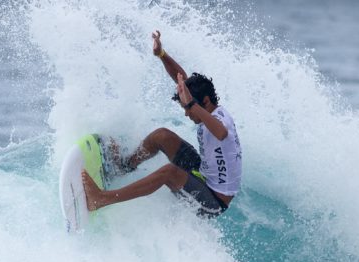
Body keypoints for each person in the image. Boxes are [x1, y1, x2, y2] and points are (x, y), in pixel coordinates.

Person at [82, 30, 242, 218]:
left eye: (188, 108)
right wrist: (162, 55)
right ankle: (124, 167)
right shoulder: (207, 108)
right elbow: (182, 79)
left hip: (213, 200)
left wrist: (191, 104)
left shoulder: (222, 121)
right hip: (202, 172)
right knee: (161, 136)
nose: (186, 113)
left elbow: (221, 133)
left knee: (169, 173)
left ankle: (101, 199)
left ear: (205, 102)